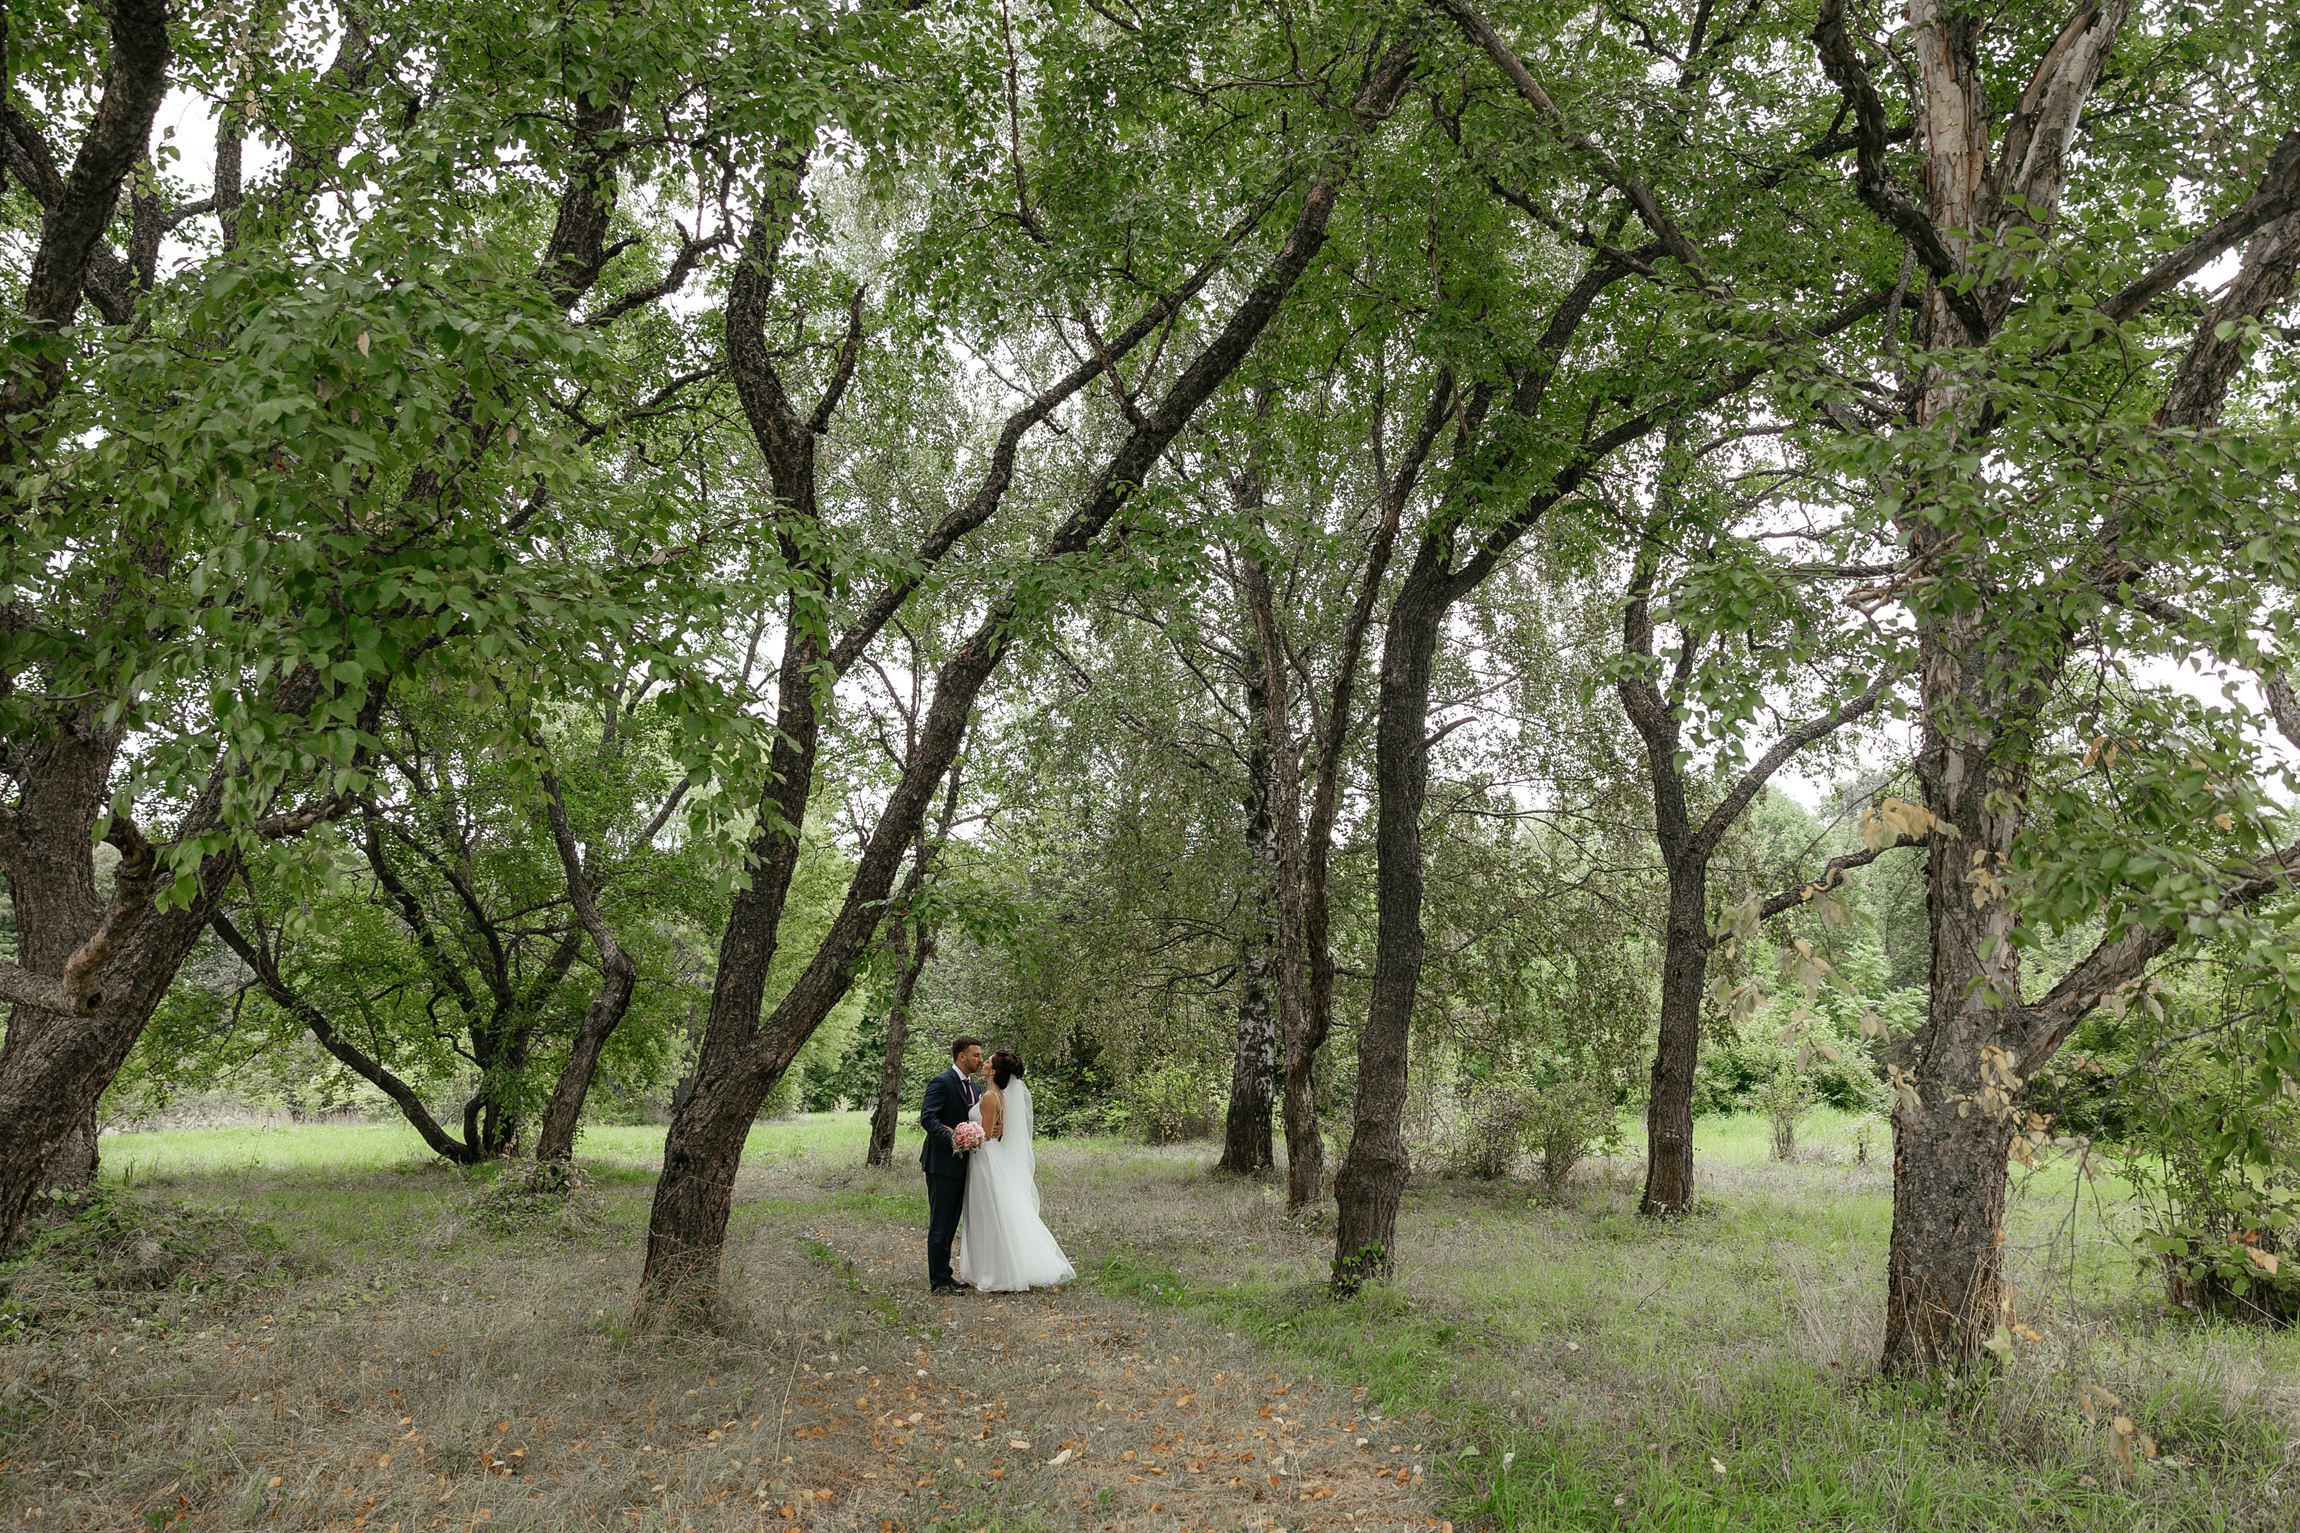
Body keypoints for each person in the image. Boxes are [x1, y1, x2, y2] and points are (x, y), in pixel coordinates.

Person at [955, 1051, 1075, 1293]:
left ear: (994, 1071)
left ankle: (994, 1271)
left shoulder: (990, 1096)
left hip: (983, 1159)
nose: (983, 1063)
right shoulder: (999, 1095)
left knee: (986, 1212)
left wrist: (963, 1134)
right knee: (991, 1211)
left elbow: (987, 1135)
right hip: (989, 1157)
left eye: (987, 1062)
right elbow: (996, 1131)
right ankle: (991, 1267)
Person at [919, 1036, 983, 1295]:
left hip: (963, 1166)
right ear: (962, 1057)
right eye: (976, 1055)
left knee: (952, 1222)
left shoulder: (976, 1088)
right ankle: (938, 1282)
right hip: (941, 1164)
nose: (980, 1059)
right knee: (941, 1223)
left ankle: (945, 1274)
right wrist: (954, 1140)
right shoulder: (942, 1082)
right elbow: (927, 1117)